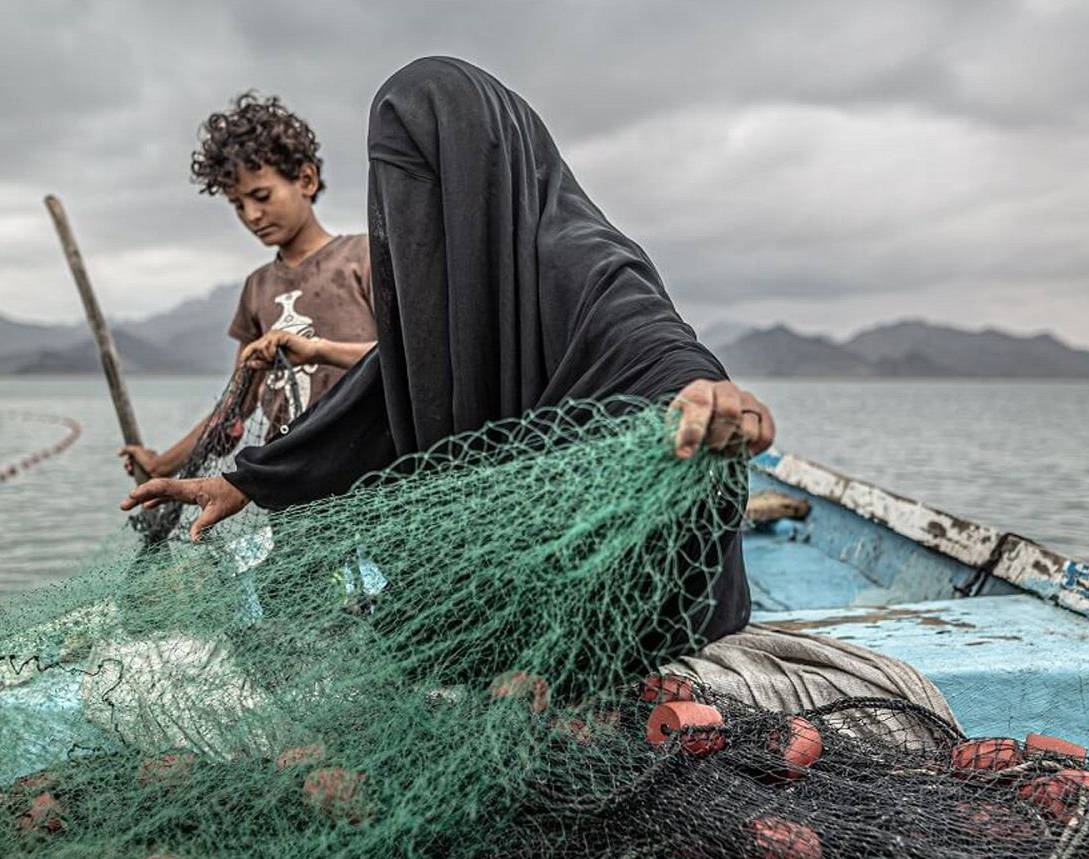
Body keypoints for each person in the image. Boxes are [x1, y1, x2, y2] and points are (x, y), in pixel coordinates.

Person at [122, 57, 774, 648]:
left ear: (476, 174)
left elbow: (649, 341)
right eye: (395, 196)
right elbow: (384, 388)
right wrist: (249, 480)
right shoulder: (437, 292)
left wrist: (704, 390)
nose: (410, 217)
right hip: (511, 581)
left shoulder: (578, 259)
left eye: (425, 188)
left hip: (621, 600)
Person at [119, 91, 377, 480]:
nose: (252, 215)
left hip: (370, 473)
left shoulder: (363, 258)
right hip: (290, 480)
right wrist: (162, 465)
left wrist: (318, 350)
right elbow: (238, 405)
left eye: (261, 196)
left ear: (306, 179)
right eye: (238, 205)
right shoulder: (257, 288)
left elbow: (407, 360)